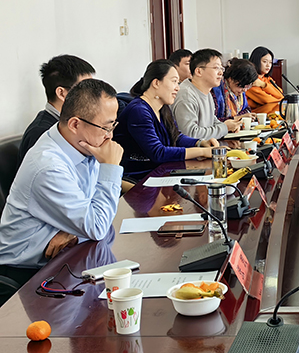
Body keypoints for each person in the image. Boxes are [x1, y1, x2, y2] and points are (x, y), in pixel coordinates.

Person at [0, 79, 123, 296]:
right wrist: (110, 167)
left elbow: (95, 213)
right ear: (75, 124)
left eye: (113, 126)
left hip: (64, 259)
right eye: (105, 127)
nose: (110, 136)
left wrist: (72, 232)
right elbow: (97, 226)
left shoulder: (80, 144)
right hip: (27, 275)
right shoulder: (49, 166)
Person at [114, 60, 220, 181]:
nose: (178, 88)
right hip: (139, 178)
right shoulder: (138, 111)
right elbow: (158, 153)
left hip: (160, 172)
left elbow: (176, 137)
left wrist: (200, 143)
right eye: (174, 81)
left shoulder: (163, 108)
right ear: (156, 83)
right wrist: (202, 152)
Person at [19, 55, 95, 162]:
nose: (93, 96)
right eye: (86, 89)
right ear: (62, 93)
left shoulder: (69, 125)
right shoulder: (41, 133)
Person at [172, 49, 240, 139]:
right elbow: (190, 135)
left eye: (221, 68)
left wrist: (228, 126)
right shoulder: (186, 95)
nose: (221, 73)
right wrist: (225, 128)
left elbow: (212, 121)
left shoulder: (206, 91)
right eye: (216, 68)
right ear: (199, 71)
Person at [246, 46, 284, 114]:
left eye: (270, 62)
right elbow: (266, 100)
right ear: (256, 61)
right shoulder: (251, 80)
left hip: (267, 113)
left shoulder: (266, 79)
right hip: (254, 116)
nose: (268, 65)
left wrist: (263, 85)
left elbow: (280, 94)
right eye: (265, 61)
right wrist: (278, 99)